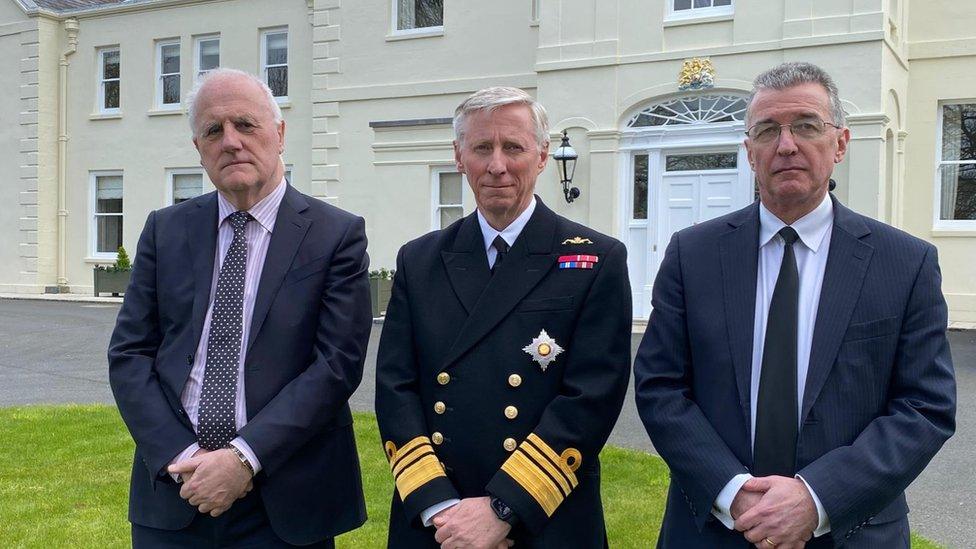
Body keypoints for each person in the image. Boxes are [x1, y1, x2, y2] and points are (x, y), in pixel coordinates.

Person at [633, 61, 957, 548]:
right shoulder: (692, 254)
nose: (786, 145)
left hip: (851, 530)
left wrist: (817, 498)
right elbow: (660, 387)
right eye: (767, 130)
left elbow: (924, 405)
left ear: (840, 143)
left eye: (806, 125)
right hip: (716, 528)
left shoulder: (905, 263)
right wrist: (734, 493)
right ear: (749, 151)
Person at [108, 68, 371, 548]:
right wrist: (184, 458)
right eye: (213, 130)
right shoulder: (164, 230)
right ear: (198, 149)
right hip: (175, 492)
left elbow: (336, 365)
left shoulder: (336, 235)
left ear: (280, 134)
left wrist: (241, 458)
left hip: (286, 498)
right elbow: (129, 354)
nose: (230, 142)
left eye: (245, 125)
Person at [375, 87, 632, 548]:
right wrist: (438, 506)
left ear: (541, 156)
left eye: (513, 147)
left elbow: (591, 398)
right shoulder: (420, 260)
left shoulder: (596, 259)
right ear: (459, 156)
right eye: (481, 148)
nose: (497, 165)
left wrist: (502, 508)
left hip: (543, 516)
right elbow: (396, 388)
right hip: (437, 519)